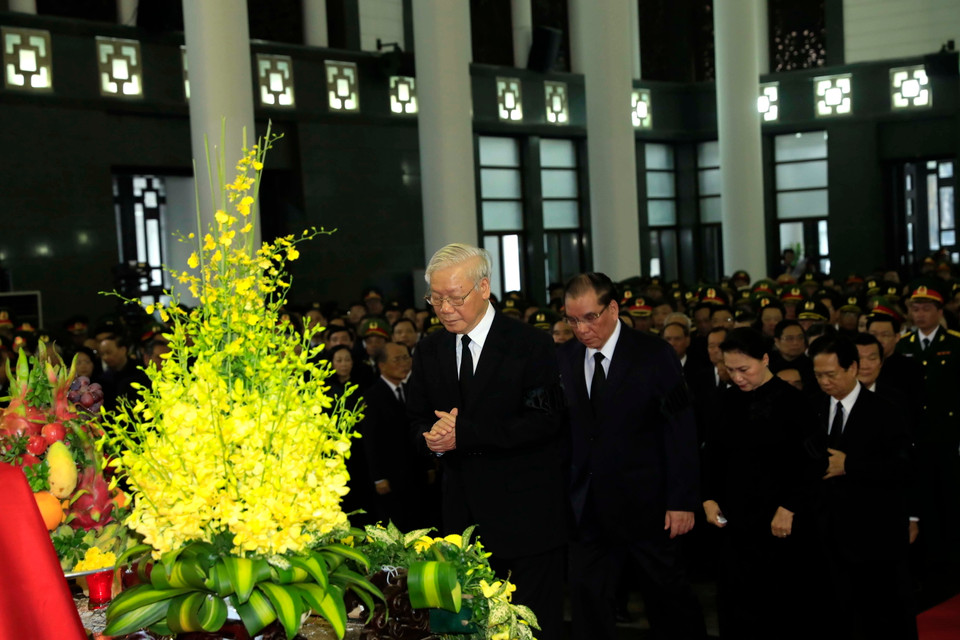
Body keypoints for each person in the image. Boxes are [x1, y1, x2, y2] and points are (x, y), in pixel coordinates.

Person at [406, 243, 567, 640]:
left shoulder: (530, 344)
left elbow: (545, 420)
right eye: (435, 298)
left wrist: (466, 435)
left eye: (454, 297)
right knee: (469, 627)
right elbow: (414, 417)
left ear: (484, 288)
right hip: (461, 520)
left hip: (527, 519)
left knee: (529, 627)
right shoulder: (430, 348)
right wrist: (431, 440)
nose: (444, 308)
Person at [557, 272, 705, 640]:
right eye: (572, 320)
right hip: (586, 507)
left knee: (668, 599)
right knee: (588, 601)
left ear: (613, 308)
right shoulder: (563, 358)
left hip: (650, 507)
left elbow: (680, 430)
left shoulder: (655, 354)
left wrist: (682, 500)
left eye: (590, 317)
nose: (581, 329)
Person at [702, 328, 827, 639]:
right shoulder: (723, 401)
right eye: (730, 370)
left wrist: (790, 507)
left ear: (766, 358)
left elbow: (814, 463)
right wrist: (708, 498)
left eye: (744, 369)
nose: (737, 377)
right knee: (736, 605)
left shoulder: (795, 403)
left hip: (782, 525)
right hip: (735, 524)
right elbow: (711, 457)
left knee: (781, 608)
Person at [810, 336, 917, 638]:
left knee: (880, 619)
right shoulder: (811, 407)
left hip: (875, 536)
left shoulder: (887, 408)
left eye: (831, 374)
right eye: (818, 375)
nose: (824, 382)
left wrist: (850, 465)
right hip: (824, 534)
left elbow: (906, 467)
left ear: (852, 368)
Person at [360, 342, 428, 531]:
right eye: (397, 359)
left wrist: (428, 465)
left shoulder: (413, 390)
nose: (404, 363)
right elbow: (371, 441)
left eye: (406, 357)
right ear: (381, 365)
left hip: (415, 473)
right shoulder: (371, 397)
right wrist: (378, 477)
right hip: (390, 476)